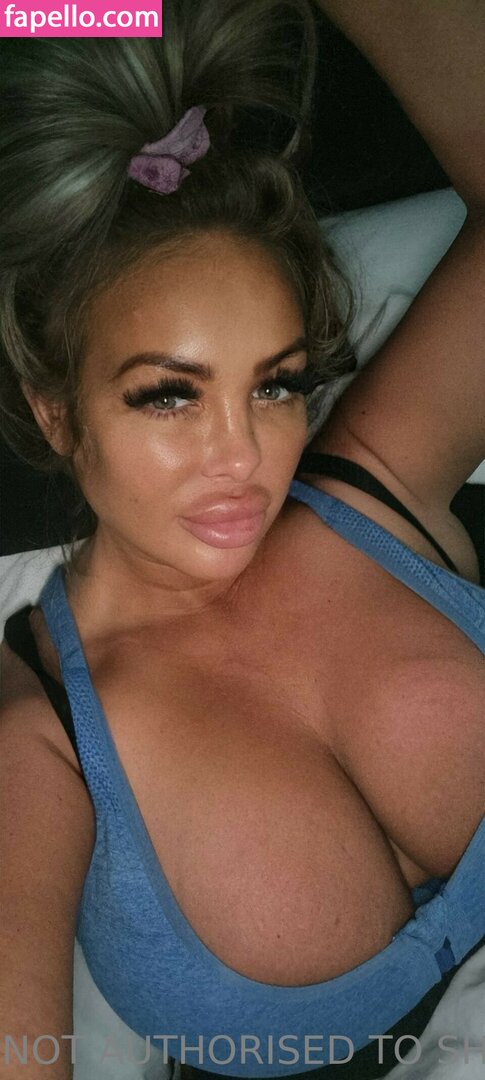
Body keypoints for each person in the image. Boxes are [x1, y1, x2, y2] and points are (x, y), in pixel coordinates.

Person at [1, 2, 484, 1079]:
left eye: (275, 385)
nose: (243, 457)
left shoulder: (371, 486)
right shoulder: (39, 741)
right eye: (168, 395)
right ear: (57, 411)